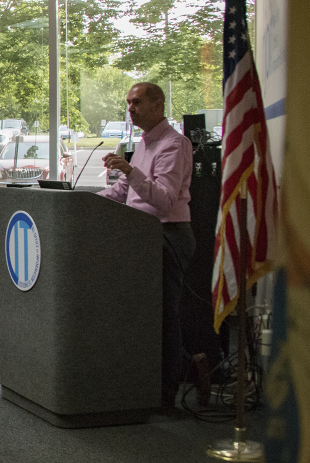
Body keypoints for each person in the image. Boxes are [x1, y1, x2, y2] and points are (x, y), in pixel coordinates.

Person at [98, 82, 194, 407]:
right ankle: (189, 367)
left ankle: (166, 396)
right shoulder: (143, 143)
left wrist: (130, 169)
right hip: (143, 236)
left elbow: (164, 201)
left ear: (157, 104)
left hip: (168, 236)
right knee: (144, 314)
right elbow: (122, 192)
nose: (130, 108)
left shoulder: (174, 144)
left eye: (137, 102)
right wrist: (81, 202)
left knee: (164, 316)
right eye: (128, 102)